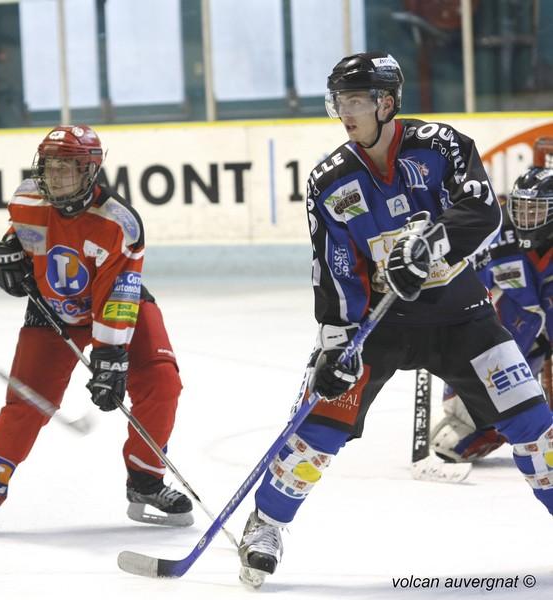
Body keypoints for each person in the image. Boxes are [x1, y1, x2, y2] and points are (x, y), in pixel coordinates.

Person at [237, 52, 553, 588]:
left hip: (464, 317)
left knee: (533, 425)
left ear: (387, 102)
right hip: (379, 325)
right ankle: (265, 522)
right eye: (339, 101)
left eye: (355, 100)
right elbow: (334, 267)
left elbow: (481, 211)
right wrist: (336, 341)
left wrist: (427, 246)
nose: (345, 112)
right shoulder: (329, 180)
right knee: (320, 425)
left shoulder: (441, 144)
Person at [0, 124, 192, 532]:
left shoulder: (119, 222)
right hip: (51, 312)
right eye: (51, 166)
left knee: (161, 381)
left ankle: (146, 479)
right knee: (27, 401)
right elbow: (27, 240)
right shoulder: (27, 199)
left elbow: (118, 294)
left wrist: (110, 358)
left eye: (68, 167)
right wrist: (10, 259)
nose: (56, 176)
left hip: (115, 305)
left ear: (91, 171)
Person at [432, 142, 553, 462]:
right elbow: (462, 281)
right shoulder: (501, 240)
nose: (526, 218)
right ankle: (490, 423)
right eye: (522, 209)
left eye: (536, 210)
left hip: (540, 343)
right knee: (450, 441)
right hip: (511, 343)